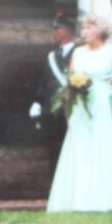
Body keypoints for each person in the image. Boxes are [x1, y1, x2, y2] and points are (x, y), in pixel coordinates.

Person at [47, 15, 112, 212]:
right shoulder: (78, 53)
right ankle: (79, 199)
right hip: (82, 104)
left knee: (102, 144)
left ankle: (107, 199)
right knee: (80, 147)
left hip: (104, 102)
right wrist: (74, 87)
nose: (84, 32)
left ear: (100, 31)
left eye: (89, 28)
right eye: (83, 28)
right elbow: (71, 78)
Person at [29, 15, 76, 172]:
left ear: (69, 30)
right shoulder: (52, 55)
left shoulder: (79, 52)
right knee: (54, 149)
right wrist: (37, 102)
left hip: (71, 109)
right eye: (54, 29)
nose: (55, 32)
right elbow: (44, 81)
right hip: (52, 110)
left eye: (58, 28)